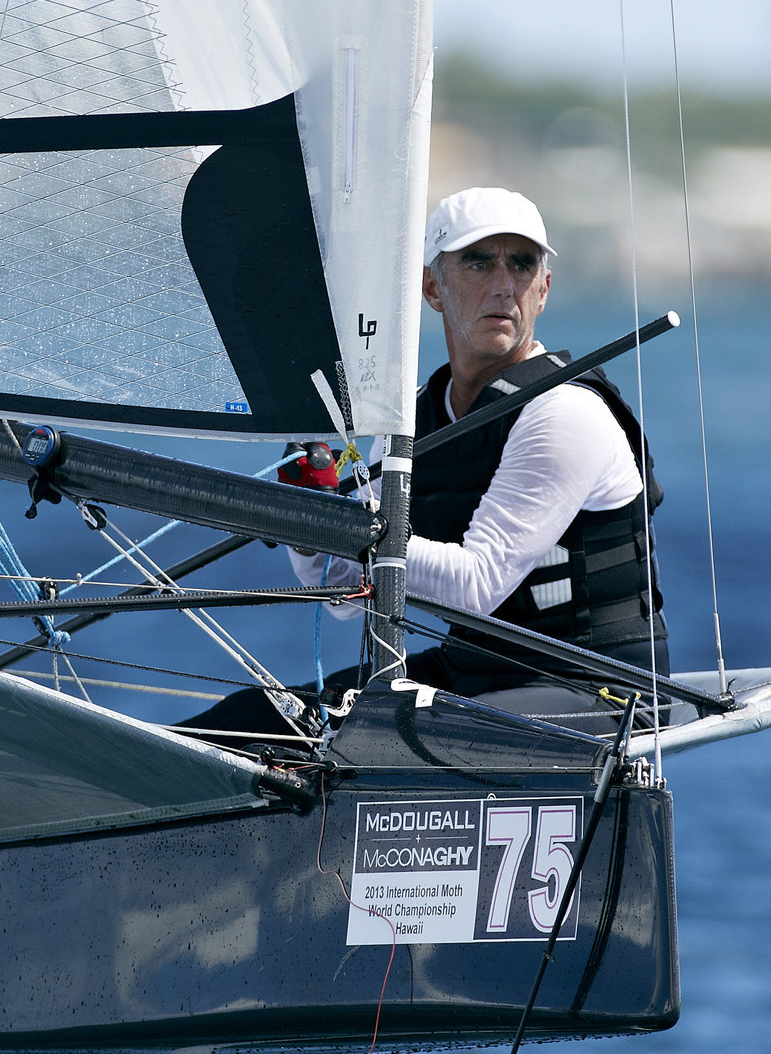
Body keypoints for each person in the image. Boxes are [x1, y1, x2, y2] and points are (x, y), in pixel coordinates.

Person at [186, 186, 665, 739]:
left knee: (380, 737)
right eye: (479, 262)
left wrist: (348, 527)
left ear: (544, 290)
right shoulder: (406, 422)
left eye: (522, 265)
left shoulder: (563, 415)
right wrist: (309, 525)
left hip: (599, 689)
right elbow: (343, 590)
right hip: (475, 675)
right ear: (432, 287)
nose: (504, 286)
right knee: (245, 724)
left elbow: (476, 587)